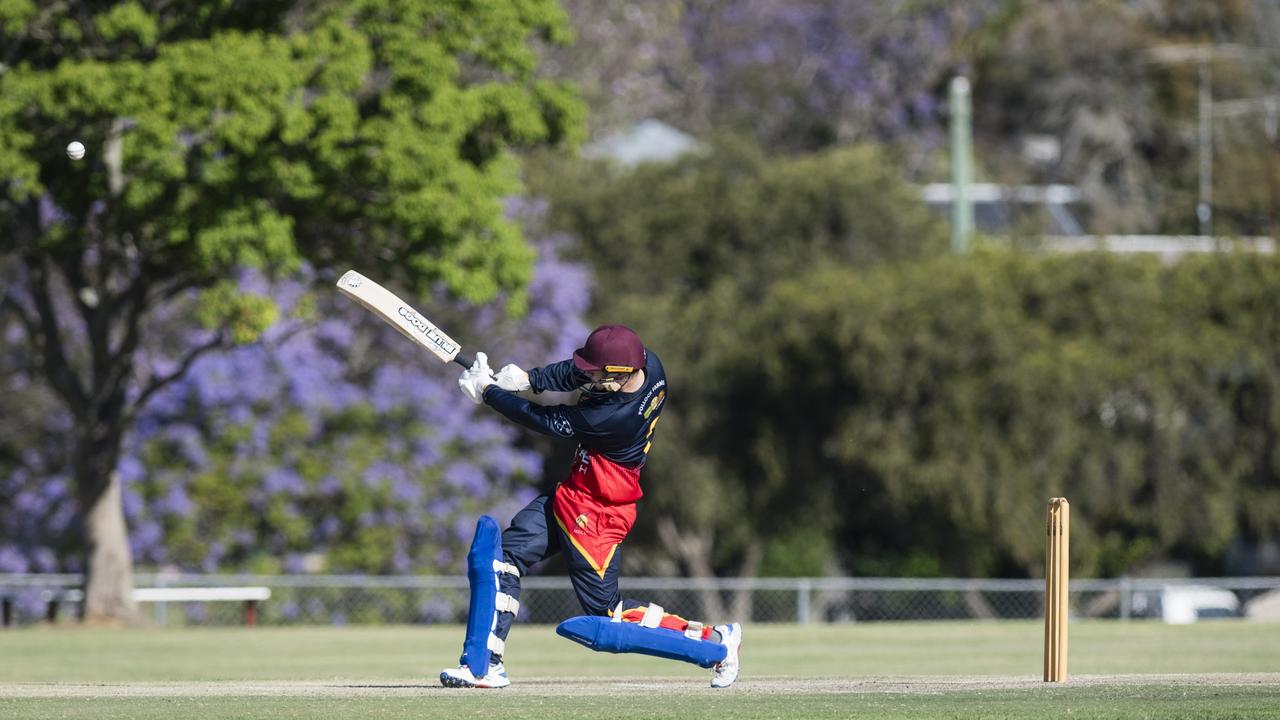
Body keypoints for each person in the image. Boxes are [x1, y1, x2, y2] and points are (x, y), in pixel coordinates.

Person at [440, 324, 742, 689]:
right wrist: (529, 379)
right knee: (503, 558)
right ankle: (483, 666)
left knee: (607, 614)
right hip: (575, 491)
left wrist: (490, 393)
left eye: (598, 375)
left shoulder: (612, 418)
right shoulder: (649, 365)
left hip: (597, 513)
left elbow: (546, 421)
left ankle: (714, 645)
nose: (589, 378)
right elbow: (575, 371)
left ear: (621, 374)